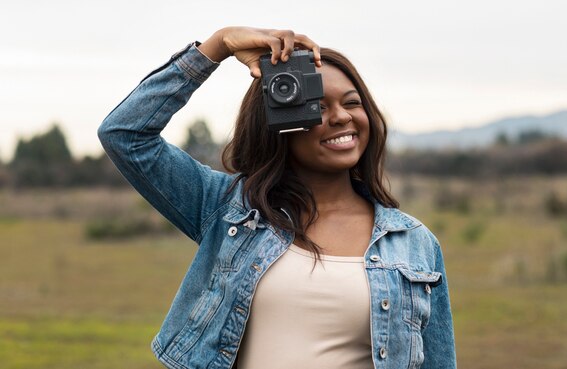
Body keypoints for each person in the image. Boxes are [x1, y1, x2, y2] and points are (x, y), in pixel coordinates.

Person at [98, 26, 456, 369]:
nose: (341, 117)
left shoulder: (414, 243)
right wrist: (217, 45)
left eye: (352, 103)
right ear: (278, 120)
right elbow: (126, 134)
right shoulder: (229, 209)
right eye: (316, 106)